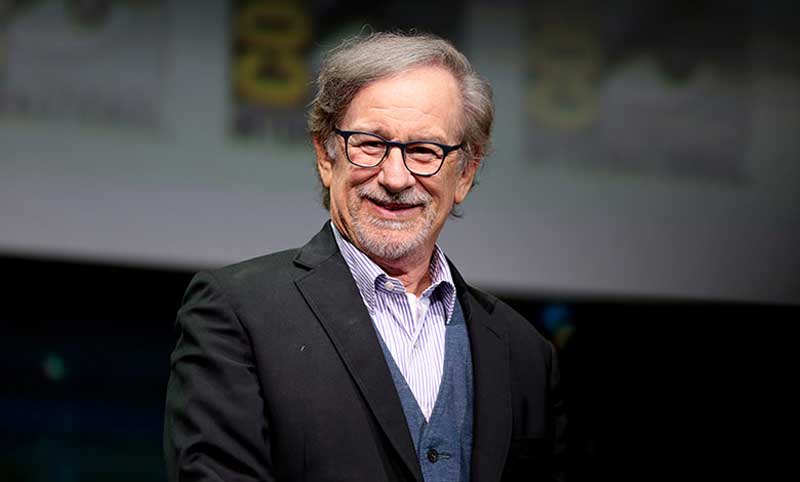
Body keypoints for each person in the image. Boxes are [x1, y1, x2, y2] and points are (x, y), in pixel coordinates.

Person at [164, 32, 566, 482]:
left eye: (424, 151)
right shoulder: (237, 313)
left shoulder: (524, 352)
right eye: (371, 144)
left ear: (465, 175)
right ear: (326, 155)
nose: (395, 177)